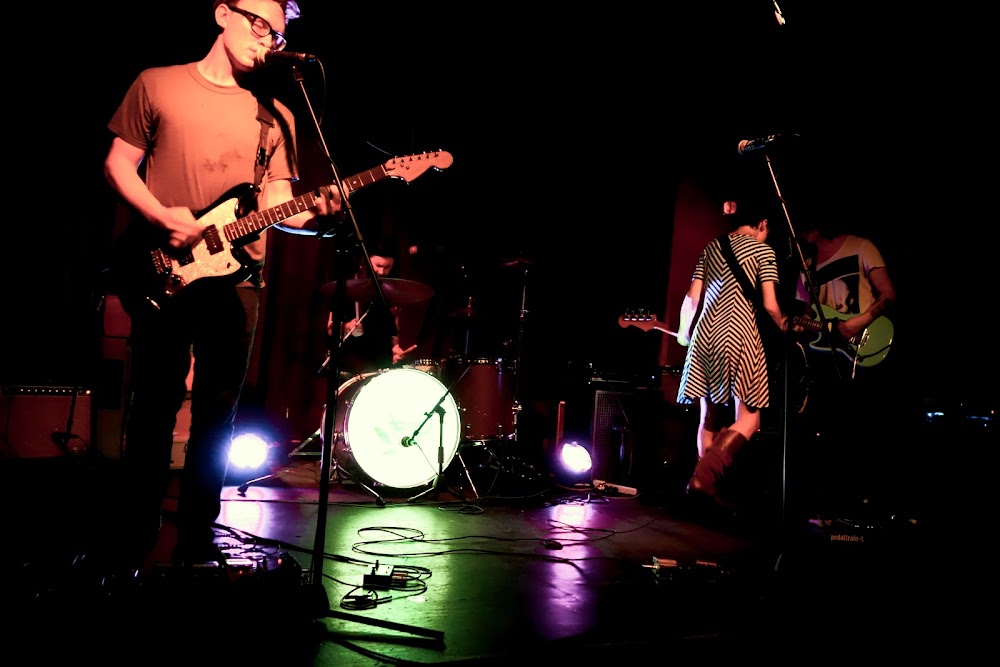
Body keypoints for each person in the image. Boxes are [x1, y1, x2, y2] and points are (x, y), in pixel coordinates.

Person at [103, 0, 343, 568]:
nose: (267, 41)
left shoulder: (275, 116)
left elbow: (277, 205)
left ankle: (196, 539)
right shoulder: (158, 83)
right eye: (260, 25)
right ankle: (134, 536)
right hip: (163, 268)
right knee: (154, 405)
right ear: (222, 14)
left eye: (277, 36)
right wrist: (163, 216)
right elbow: (117, 163)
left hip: (238, 282)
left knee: (217, 415)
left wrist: (317, 213)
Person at [676, 197, 789, 515]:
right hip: (740, 335)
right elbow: (770, 305)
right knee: (750, 419)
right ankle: (703, 478)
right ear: (763, 224)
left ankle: (703, 496)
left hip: (705, 335)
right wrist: (783, 326)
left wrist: (684, 332)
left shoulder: (713, 246)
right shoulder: (764, 252)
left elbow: (692, 297)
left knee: (708, 416)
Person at [788, 212, 897, 518]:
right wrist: (795, 324)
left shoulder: (861, 246)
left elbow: (888, 294)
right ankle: (823, 505)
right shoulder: (807, 265)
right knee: (824, 431)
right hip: (825, 358)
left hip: (862, 348)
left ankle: (861, 506)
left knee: (861, 431)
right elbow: (807, 314)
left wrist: (857, 323)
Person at [325, 236, 417, 378]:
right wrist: (348, 327)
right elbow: (331, 328)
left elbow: (393, 332)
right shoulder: (347, 288)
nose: (382, 272)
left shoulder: (389, 293)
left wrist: (395, 348)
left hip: (379, 366)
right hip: (351, 365)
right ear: (364, 263)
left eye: (387, 267)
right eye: (378, 265)